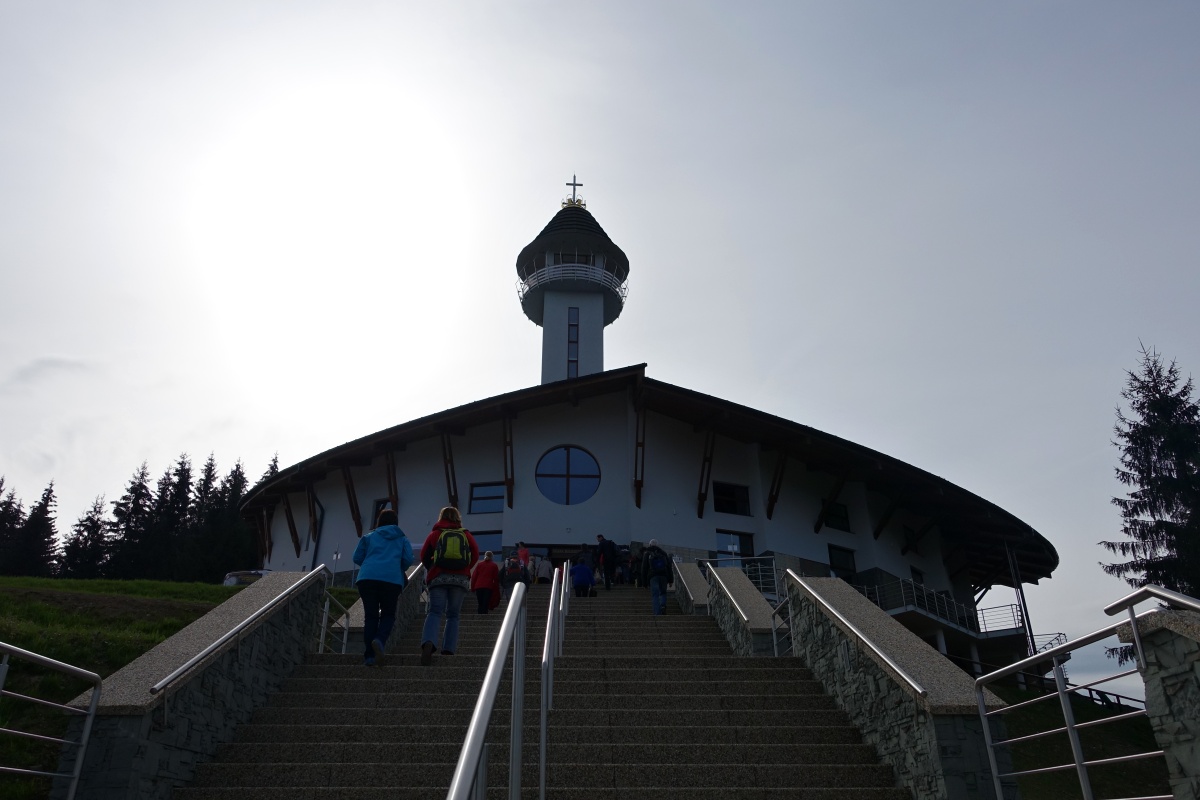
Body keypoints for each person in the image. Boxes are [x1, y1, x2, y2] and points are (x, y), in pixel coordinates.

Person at [352, 508, 414, 666]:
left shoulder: (369, 537)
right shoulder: (402, 539)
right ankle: (379, 640)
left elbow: (357, 557)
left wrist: (370, 565)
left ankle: (369, 657)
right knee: (388, 615)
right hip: (391, 580)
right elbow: (408, 559)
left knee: (370, 616)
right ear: (396, 522)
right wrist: (396, 567)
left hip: (367, 579)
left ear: (379, 521)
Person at [419, 507, 478, 665]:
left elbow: (423, 555)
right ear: (458, 518)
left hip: (438, 578)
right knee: (453, 615)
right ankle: (448, 649)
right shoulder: (466, 534)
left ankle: (429, 642)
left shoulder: (435, 534)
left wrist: (433, 567)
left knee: (434, 612)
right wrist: (465, 568)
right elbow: (475, 554)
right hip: (459, 580)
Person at [640, 538, 672, 615]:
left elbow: (644, 568)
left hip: (653, 576)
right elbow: (669, 567)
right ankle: (663, 605)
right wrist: (671, 580)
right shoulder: (663, 553)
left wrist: (644, 583)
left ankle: (657, 613)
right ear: (657, 545)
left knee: (655, 595)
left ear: (650, 545)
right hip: (663, 576)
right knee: (663, 592)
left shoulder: (647, 553)